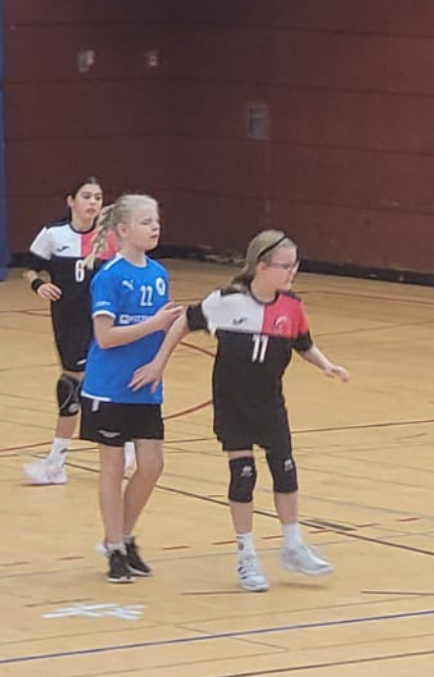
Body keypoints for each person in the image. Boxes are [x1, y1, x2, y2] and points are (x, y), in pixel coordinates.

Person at [134, 229, 350, 593]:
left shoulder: (292, 306)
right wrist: (158, 363)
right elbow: (184, 321)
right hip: (232, 402)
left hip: (270, 401)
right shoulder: (227, 301)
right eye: (285, 265)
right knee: (244, 474)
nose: (292, 272)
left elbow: (303, 343)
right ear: (262, 267)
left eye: (294, 265)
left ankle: (293, 545)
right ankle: (246, 554)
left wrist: (326, 365)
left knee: (285, 469)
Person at [78, 194, 182, 583]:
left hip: (145, 387)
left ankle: (121, 535)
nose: (155, 227)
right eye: (145, 222)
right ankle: (115, 548)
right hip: (108, 388)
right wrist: (153, 324)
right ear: (123, 229)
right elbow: (105, 337)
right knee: (113, 467)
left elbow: (166, 329)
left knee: (152, 465)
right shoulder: (110, 276)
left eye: (156, 220)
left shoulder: (158, 273)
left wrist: (159, 364)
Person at [20, 177, 134, 484]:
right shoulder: (54, 235)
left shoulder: (112, 238)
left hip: (104, 321)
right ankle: (120, 446)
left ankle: (58, 462)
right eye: (86, 196)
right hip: (67, 320)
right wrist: (38, 284)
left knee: (77, 386)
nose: (93, 202)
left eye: (98, 197)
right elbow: (30, 267)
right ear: (71, 201)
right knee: (76, 386)